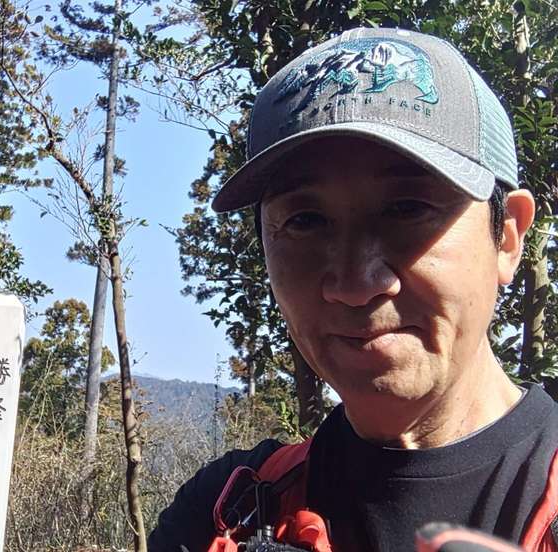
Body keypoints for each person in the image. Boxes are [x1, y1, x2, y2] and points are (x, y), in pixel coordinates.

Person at [149, 27, 558, 552]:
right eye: (305, 221)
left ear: (507, 237)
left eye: (408, 209)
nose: (355, 285)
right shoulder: (224, 514)